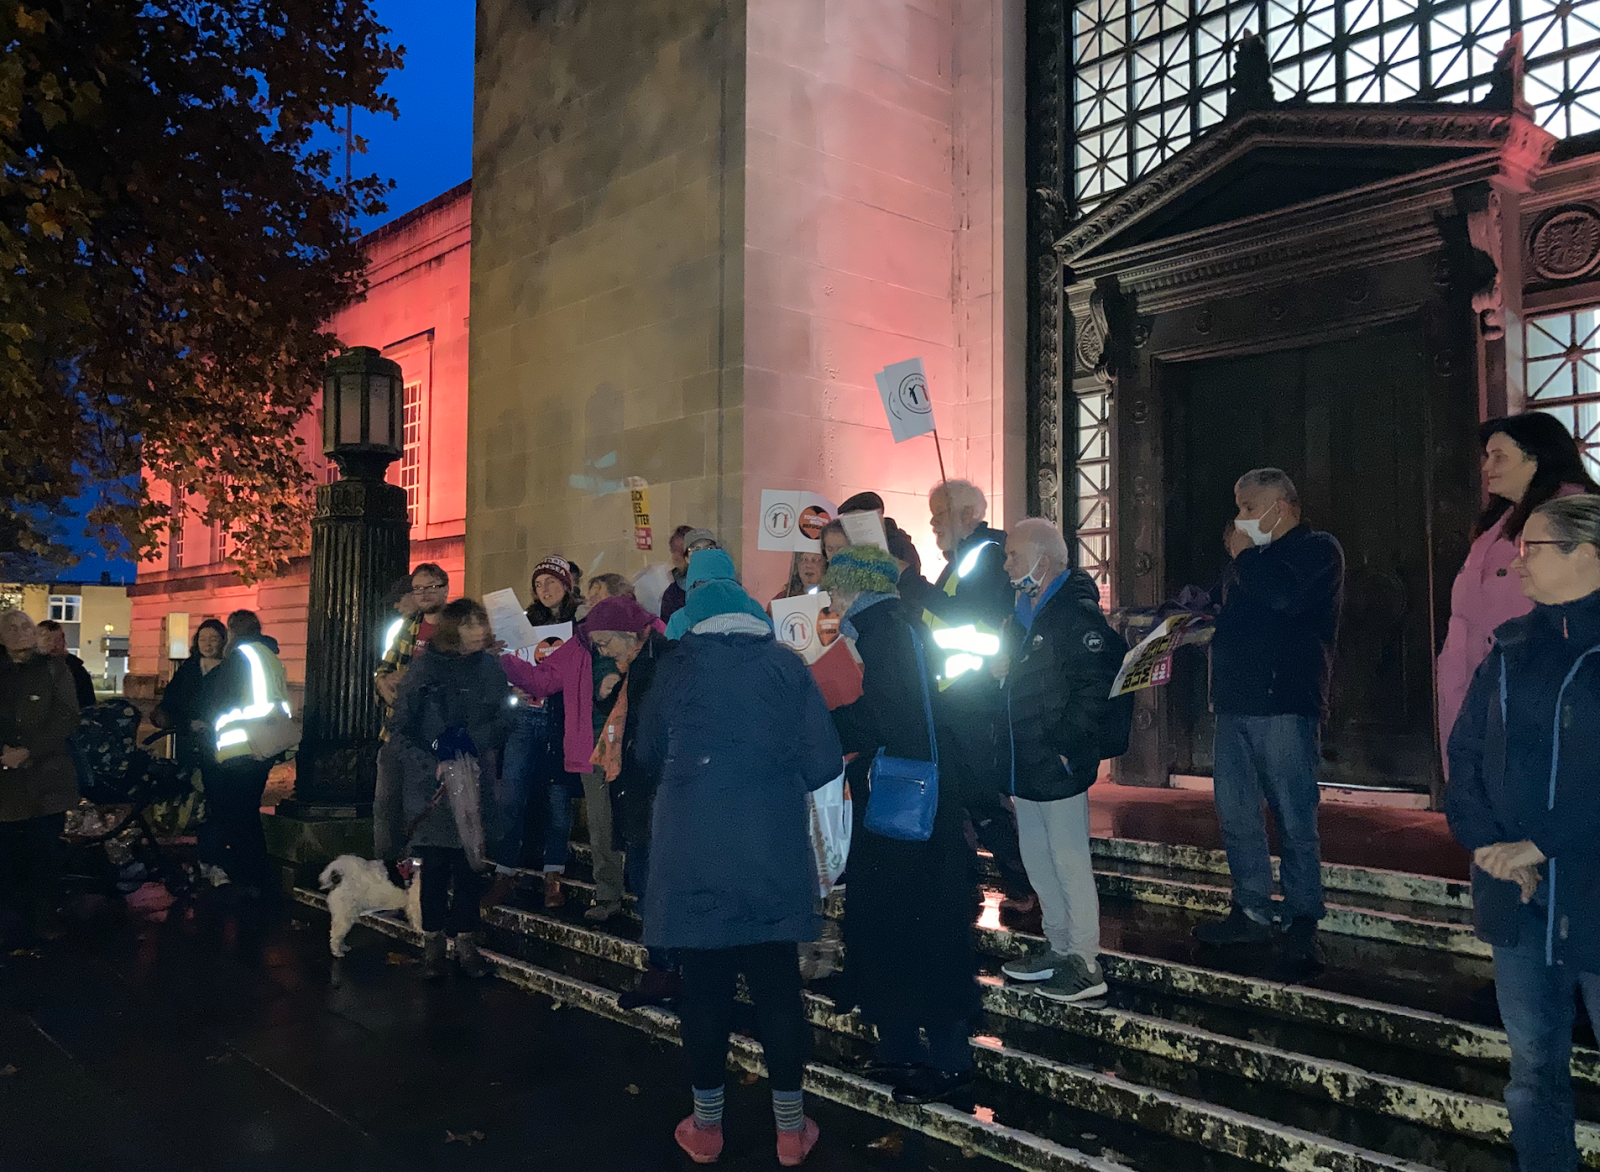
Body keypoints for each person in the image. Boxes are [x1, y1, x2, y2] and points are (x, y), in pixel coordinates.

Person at [636, 569, 840, 1166]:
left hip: (692, 848)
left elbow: (645, 751)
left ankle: (706, 1129)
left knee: (704, 992)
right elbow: (823, 760)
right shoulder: (785, 666)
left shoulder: (676, 667)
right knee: (778, 989)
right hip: (768, 847)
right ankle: (789, 1132)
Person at [1445, 494, 1600, 1172]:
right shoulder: (1510, 647)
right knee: (1533, 1070)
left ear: (1588, 555)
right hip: (1520, 895)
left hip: (1590, 885)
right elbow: (1468, 753)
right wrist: (1488, 846)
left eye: (1533, 546)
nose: (1517, 560)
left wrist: (1543, 843)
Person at [823, 546, 981, 1104]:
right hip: (910, 806)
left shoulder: (878, 632)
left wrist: (829, 719)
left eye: (834, 586)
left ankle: (943, 1060)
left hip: (905, 814)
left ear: (853, 587)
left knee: (912, 926)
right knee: (906, 925)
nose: (829, 597)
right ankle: (902, 1047)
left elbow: (887, 714)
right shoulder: (893, 626)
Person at [1193, 469, 1344, 958]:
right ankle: (1251, 908)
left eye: (1251, 507)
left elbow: (1284, 599)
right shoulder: (1247, 561)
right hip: (1234, 703)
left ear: (1285, 506)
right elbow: (1229, 613)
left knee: (1294, 814)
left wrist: (1245, 556)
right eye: (1238, 508)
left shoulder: (1318, 550)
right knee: (1236, 812)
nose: (1241, 519)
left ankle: (1303, 916)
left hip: (1284, 703)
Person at [996, 520, 1127, 1001]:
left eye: (1013, 555)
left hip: (1054, 758)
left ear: (1042, 560)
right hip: (1026, 756)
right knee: (1037, 854)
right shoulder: (1026, 610)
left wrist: (1065, 744)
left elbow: (1095, 688)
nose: (1007, 563)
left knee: (1068, 857)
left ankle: (1085, 959)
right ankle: (1057, 944)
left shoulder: (1074, 616)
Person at [896, 479, 1034, 911]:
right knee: (958, 795)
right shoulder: (959, 561)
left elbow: (971, 616)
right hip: (951, 692)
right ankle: (968, 879)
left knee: (981, 793)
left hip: (974, 695)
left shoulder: (987, 555)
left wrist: (913, 586)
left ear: (969, 515)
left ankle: (1022, 883)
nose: (933, 522)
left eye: (941, 512)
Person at [1437, 414, 1597, 755]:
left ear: (1537, 458)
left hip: (1538, 683)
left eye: (1500, 457)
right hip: (1477, 680)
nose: (1486, 467)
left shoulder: (1571, 517)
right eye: (1487, 457)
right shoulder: (1502, 519)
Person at [382, 598, 511, 980]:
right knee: (436, 867)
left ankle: (467, 939)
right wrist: (433, 758)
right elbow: (401, 730)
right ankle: (433, 943)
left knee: (471, 865)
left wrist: (473, 741)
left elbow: (505, 717)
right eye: (470, 624)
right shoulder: (424, 669)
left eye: (481, 623)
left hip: (474, 781)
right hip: (432, 787)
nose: (479, 631)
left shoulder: (489, 668)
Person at [499, 556, 627, 920]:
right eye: (592, 597)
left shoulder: (646, 637)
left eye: (602, 597)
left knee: (631, 824)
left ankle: (642, 895)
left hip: (627, 743)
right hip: (587, 740)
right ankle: (608, 896)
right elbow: (544, 678)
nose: (595, 604)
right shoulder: (581, 642)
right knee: (600, 825)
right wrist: (505, 659)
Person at [581, 596, 677, 1007]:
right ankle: (664, 967)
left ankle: (665, 970)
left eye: (604, 644)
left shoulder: (653, 664)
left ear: (625, 633)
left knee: (648, 879)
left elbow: (651, 730)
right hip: (642, 790)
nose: (603, 653)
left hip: (649, 790)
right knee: (646, 880)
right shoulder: (640, 664)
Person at [490, 556, 584, 909]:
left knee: (558, 803)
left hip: (560, 720)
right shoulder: (524, 623)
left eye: (552, 582)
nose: (545, 590)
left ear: (567, 584)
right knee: (511, 796)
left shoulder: (581, 624)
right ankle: (503, 872)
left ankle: (553, 876)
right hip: (524, 718)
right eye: (539, 584)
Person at [0, 609, 80, 941]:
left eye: (27, 626)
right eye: (12, 627)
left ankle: (44, 916)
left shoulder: (53, 669)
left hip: (47, 779)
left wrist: (30, 749)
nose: (22, 632)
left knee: (44, 851)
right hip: (5, 782)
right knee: (8, 853)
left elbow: (67, 716)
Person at [203, 609, 291, 899]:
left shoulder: (238, 658)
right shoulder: (268, 656)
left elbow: (221, 700)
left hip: (241, 746)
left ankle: (252, 877)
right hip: (264, 744)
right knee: (247, 812)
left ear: (232, 631)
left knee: (238, 815)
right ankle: (256, 876)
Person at [153, 618, 230, 883]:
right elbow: (171, 701)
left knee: (215, 802)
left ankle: (213, 860)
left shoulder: (229, 670)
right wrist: (174, 719)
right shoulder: (188, 669)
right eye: (203, 639)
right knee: (189, 801)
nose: (208, 644)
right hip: (188, 742)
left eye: (213, 639)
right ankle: (195, 859)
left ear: (222, 641)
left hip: (218, 746)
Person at [35, 621, 95, 709]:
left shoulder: (77, 670)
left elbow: (88, 704)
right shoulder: (27, 669)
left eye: (58, 640)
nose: (54, 645)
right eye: (48, 639)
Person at [660, 525, 697, 623]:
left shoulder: (720, 585)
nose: (677, 557)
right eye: (675, 550)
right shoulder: (672, 592)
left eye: (682, 551)